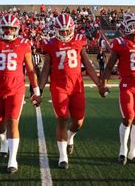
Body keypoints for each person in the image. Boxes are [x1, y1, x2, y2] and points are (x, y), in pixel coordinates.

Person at [0, 13, 42, 174]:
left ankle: (12, 158)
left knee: (12, 122)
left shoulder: (24, 43)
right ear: (1, 28)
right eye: (6, 28)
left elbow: (30, 70)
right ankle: (3, 142)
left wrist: (36, 91)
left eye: (12, 28)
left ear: (16, 29)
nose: (9, 31)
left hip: (16, 89)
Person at [39, 13, 102, 169]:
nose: (65, 33)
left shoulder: (79, 41)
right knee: (62, 119)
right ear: (56, 30)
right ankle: (63, 156)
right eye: (62, 31)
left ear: (72, 29)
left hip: (76, 87)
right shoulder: (51, 44)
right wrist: (39, 90)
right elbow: (46, 68)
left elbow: (87, 65)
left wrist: (99, 83)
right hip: (59, 87)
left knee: (78, 121)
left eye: (68, 30)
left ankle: (70, 136)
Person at [99, 13, 135, 165]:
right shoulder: (119, 42)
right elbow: (109, 65)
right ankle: (122, 150)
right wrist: (103, 83)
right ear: (125, 26)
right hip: (126, 85)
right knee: (127, 118)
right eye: (131, 24)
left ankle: (132, 152)